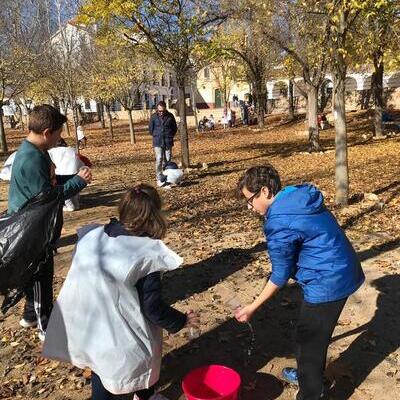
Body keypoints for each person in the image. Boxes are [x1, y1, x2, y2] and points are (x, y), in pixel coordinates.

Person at [43, 184, 199, 400]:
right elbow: (152, 308)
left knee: (99, 363)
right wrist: (181, 320)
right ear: (155, 215)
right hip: (117, 329)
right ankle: (145, 396)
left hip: (86, 320)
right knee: (141, 358)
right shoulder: (146, 253)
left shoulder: (91, 236)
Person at [235, 165, 365, 400]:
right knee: (316, 336)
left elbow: (280, 274)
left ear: (264, 191)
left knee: (308, 344)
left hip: (328, 281)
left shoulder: (279, 221)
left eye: (250, 200)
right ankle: (309, 376)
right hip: (343, 269)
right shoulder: (296, 196)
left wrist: (252, 307)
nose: (250, 207)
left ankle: (310, 392)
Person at [7, 104, 92, 341]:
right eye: (58, 133)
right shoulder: (31, 159)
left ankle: (29, 315)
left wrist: (73, 177)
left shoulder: (36, 153)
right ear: (47, 132)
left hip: (34, 226)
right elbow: (48, 196)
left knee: (33, 275)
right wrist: (77, 183)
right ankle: (46, 326)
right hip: (30, 231)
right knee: (40, 276)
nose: (60, 138)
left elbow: (48, 183)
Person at [48, 138, 87, 211]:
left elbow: (50, 164)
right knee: (73, 188)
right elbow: (81, 162)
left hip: (59, 174)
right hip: (74, 173)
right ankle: (76, 204)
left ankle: (70, 206)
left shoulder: (51, 152)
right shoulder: (72, 150)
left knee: (64, 189)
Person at [149, 101, 178, 188]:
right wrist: (156, 135)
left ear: (165, 109)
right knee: (159, 159)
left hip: (168, 141)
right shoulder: (153, 117)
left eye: (162, 111)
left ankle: (168, 178)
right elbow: (151, 129)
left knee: (168, 160)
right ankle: (159, 177)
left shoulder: (170, 116)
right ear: (157, 110)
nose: (161, 112)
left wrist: (169, 135)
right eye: (159, 111)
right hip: (157, 141)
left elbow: (174, 128)